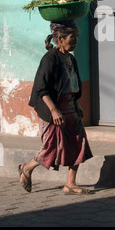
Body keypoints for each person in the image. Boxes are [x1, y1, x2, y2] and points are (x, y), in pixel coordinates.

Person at [18, 20, 93, 195]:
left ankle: (70, 183)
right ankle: (27, 168)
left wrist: (76, 104)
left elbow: (73, 85)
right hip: (52, 109)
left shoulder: (71, 59)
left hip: (70, 107)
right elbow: (41, 89)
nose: (75, 42)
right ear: (60, 38)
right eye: (71, 38)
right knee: (50, 147)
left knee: (79, 142)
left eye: (76, 38)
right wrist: (53, 110)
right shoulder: (50, 59)